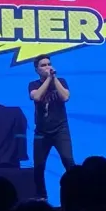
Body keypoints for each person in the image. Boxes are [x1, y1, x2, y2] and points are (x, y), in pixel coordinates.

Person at [29, 54, 75, 199]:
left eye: (49, 64)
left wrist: (53, 78)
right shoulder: (33, 84)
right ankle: (41, 196)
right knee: (39, 166)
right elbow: (36, 97)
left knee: (68, 161)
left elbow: (65, 97)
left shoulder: (61, 81)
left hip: (60, 129)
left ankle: (76, 193)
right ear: (37, 70)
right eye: (43, 65)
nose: (47, 67)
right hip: (41, 131)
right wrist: (48, 79)